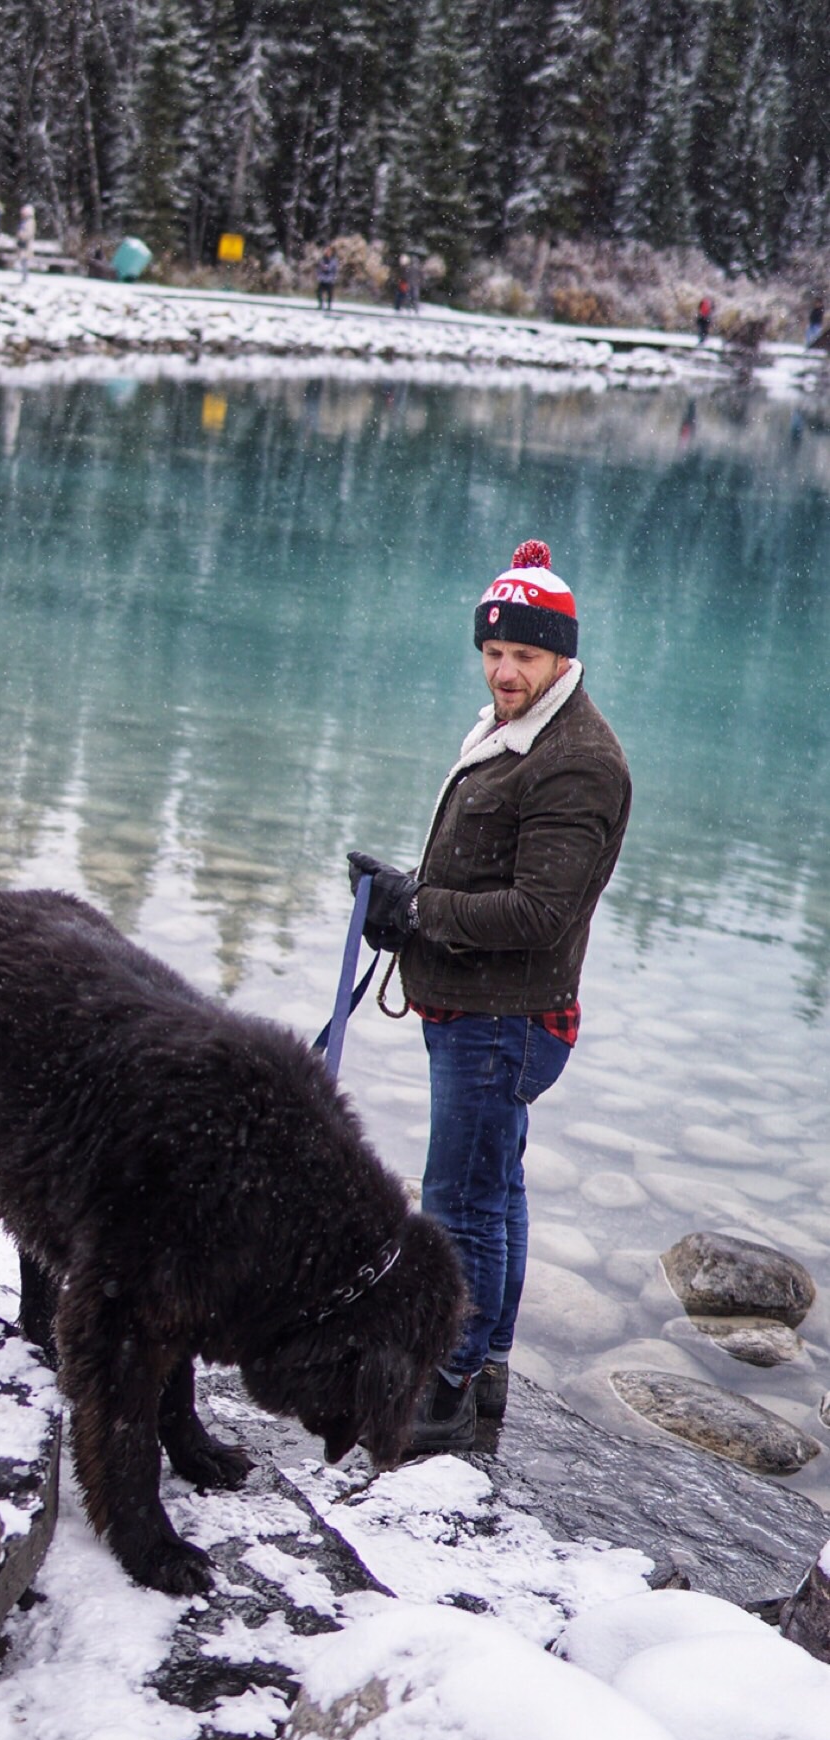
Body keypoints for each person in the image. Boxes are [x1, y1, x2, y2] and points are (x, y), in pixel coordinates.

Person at [346, 537, 630, 1451]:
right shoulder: (524, 728)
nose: (506, 671)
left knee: (460, 1202)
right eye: (495, 652)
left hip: (504, 1021)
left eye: (525, 656)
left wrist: (419, 907)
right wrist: (402, 909)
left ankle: (445, 1383)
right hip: (485, 1009)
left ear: (561, 657)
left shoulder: (578, 760)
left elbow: (541, 912)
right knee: (493, 1191)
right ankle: (488, 1372)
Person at [15, 201, 36, 283]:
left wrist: (21, 235)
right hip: (23, 244)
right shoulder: (25, 221)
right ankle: (24, 276)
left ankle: (25, 277)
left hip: (26, 244)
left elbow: (29, 233)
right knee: (23, 261)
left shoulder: (30, 222)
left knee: (25, 261)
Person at [315, 245, 338, 311]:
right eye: (326, 251)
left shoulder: (334, 260)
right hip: (322, 279)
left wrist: (333, 278)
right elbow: (319, 269)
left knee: (330, 294)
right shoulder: (322, 260)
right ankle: (320, 304)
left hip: (330, 280)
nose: (327, 252)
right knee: (319, 292)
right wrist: (319, 276)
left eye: (329, 251)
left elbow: (335, 270)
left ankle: (329, 306)